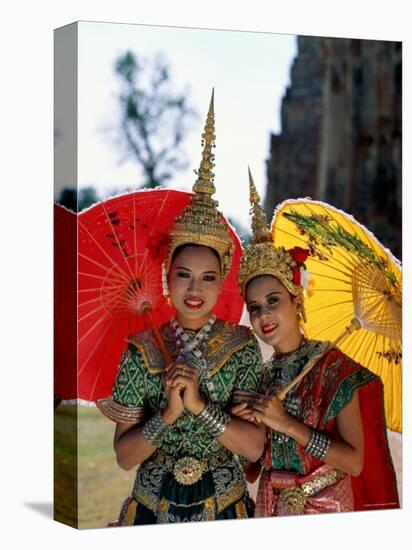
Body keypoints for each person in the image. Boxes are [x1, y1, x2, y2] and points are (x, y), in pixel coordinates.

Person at [97, 96, 265, 525]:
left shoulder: (241, 347)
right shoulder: (141, 349)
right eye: (184, 274)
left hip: (224, 510)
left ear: (222, 280)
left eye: (208, 277)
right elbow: (124, 457)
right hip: (151, 512)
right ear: (167, 277)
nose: (195, 288)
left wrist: (201, 407)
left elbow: (253, 447)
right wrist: (169, 413)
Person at [231, 171, 399, 516]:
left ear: (297, 301)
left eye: (274, 300)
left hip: (329, 509)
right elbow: (251, 469)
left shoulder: (336, 368)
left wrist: (288, 424)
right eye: (255, 307)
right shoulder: (261, 377)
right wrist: (252, 430)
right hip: (271, 507)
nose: (264, 315)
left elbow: (353, 461)